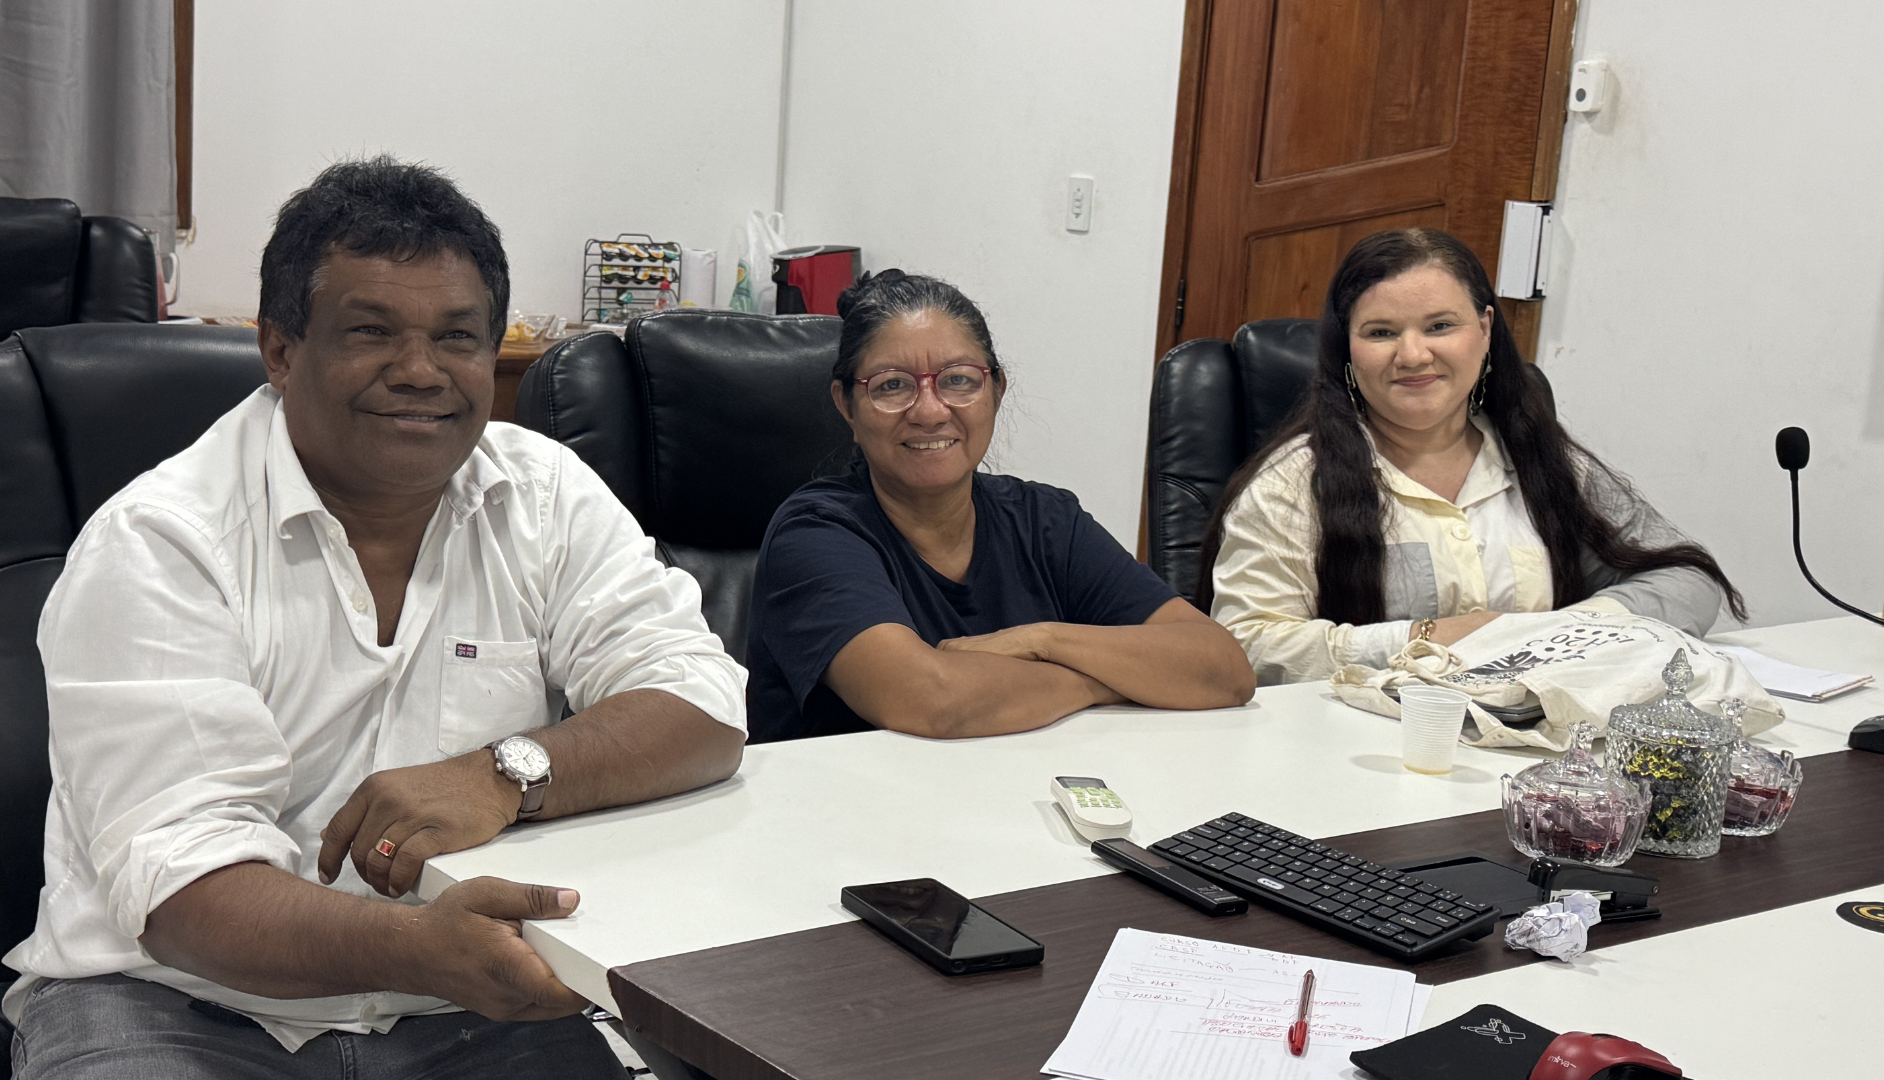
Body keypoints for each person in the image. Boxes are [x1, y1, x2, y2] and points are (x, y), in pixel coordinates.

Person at [3, 158, 748, 1077]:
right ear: (280, 350)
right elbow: (184, 890)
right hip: (174, 999)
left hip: (470, 1004)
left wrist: (509, 772)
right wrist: (417, 949)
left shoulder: (545, 494)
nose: (421, 372)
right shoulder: (161, 541)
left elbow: (703, 704)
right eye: (371, 332)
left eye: (458, 337)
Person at [1204, 227, 1744, 685]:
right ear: (1347, 347)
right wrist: (1426, 639)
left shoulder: (1543, 459)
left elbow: (1686, 581)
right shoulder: (1290, 485)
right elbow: (1244, 647)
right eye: (1381, 333)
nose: (1413, 355)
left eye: (1440, 326)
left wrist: (1560, 634)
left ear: (1484, 330)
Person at [746, 270, 1256, 742]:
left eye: (958, 380)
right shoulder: (814, 533)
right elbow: (932, 701)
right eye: (892, 386)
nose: (930, 411)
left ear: (996, 390)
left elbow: (1224, 669)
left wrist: (1043, 640)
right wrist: (1103, 682)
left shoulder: (1045, 519)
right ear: (846, 406)